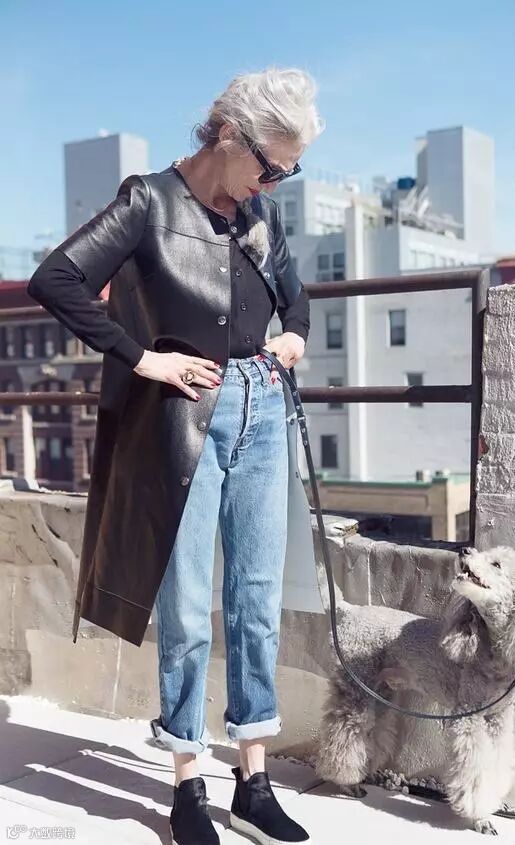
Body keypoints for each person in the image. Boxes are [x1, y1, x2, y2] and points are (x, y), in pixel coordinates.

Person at [27, 67, 324, 845]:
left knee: (256, 601)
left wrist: (293, 335)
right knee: (188, 607)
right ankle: (187, 781)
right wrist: (143, 358)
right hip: (184, 421)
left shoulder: (260, 214)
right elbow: (56, 278)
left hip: (263, 408)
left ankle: (252, 781)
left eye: (289, 171)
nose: (274, 182)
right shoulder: (149, 203)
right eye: (270, 166)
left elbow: (295, 297)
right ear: (228, 134)